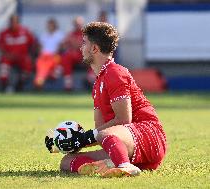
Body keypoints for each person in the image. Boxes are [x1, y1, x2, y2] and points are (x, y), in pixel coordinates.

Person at [45, 22, 167, 177]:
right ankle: (108, 164)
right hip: (125, 143)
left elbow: (124, 119)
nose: (81, 48)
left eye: (84, 43)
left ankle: (124, 166)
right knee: (66, 161)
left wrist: (85, 137)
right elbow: (100, 129)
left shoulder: (115, 72)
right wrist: (75, 141)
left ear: (95, 48)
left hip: (149, 136)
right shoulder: (97, 83)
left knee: (104, 134)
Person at [0, 14, 35, 92]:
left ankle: (19, 85)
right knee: (4, 63)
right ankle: (4, 86)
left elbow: (33, 44)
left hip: (22, 57)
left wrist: (31, 55)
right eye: (11, 22)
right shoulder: (4, 33)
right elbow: (0, 46)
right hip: (9, 56)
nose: (12, 24)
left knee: (28, 63)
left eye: (14, 22)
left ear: (18, 23)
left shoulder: (25, 31)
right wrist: (6, 54)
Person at [60, 16, 90, 91]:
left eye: (79, 24)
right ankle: (68, 83)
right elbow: (63, 45)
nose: (78, 25)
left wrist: (77, 44)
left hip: (86, 55)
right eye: (76, 24)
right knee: (66, 56)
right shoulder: (71, 34)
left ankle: (90, 79)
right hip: (76, 55)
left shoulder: (88, 34)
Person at [34, 18, 64, 90]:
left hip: (55, 56)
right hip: (44, 55)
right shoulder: (44, 35)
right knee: (40, 63)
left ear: (55, 25)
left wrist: (55, 53)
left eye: (51, 25)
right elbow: (40, 47)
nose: (49, 26)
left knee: (47, 64)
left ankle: (40, 80)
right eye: (48, 25)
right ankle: (41, 79)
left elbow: (62, 47)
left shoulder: (60, 35)